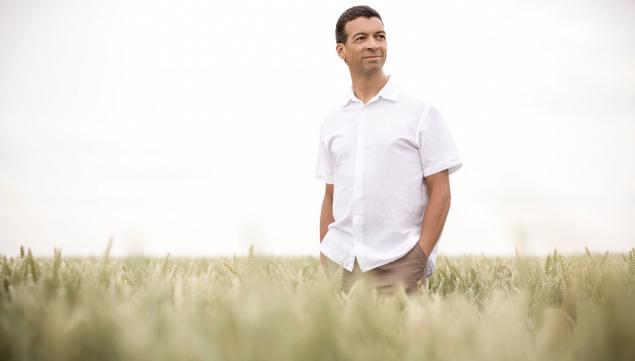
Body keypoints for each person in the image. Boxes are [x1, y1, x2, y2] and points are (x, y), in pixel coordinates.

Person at [315, 5, 463, 297]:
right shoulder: (332, 122)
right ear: (341, 50)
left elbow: (441, 192)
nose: (373, 44)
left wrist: (417, 259)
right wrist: (326, 254)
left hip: (398, 265)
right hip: (342, 265)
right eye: (361, 38)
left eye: (379, 36)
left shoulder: (421, 114)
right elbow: (331, 195)